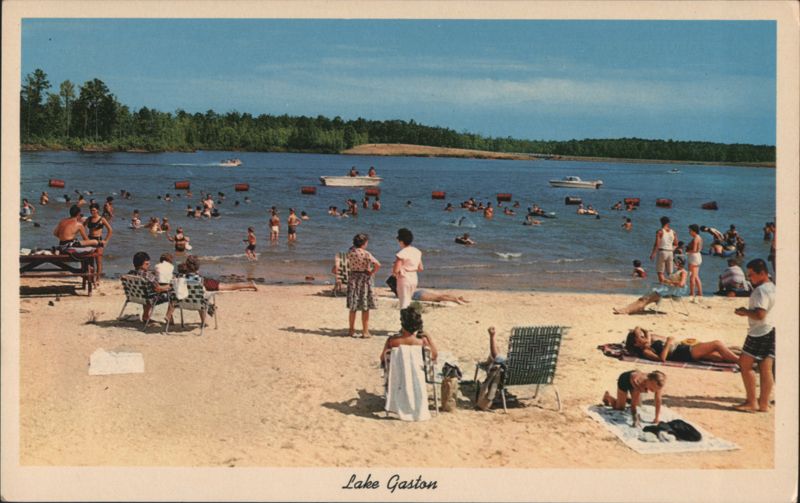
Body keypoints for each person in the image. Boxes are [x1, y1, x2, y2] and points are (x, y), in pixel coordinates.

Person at [734, 258, 775, 413]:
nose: (749, 278)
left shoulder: (761, 291)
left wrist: (744, 311)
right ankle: (763, 403)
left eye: (751, 275)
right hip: (772, 329)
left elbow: (759, 314)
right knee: (766, 368)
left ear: (762, 273)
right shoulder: (772, 287)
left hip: (760, 331)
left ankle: (752, 402)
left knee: (745, 365)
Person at [624, 326, 739, 364]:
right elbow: (661, 359)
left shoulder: (647, 343)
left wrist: (639, 332)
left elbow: (642, 329)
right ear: (636, 343)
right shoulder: (645, 351)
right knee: (717, 344)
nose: (644, 336)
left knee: (718, 356)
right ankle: (741, 362)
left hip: (683, 349)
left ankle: (749, 362)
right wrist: (668, 343)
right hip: (683, 352)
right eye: (641, 336)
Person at [613, 257, 688, 314]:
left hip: (670, 291)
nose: (674, 263)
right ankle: (628, 309)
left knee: (644, 299)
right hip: (667, 290)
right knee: (643, 298)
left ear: (680, 263)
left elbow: (681, 284)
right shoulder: (678, 271)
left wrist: (669, 281)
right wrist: (667, 281)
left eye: (676, 262)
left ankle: (626, 310)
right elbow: (675, 282)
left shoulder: (683, 272)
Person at [345, 233, 381, 338]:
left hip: (353, 278)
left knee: (353, 306)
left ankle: (351, 330)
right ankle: (365, 331)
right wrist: (372, 272)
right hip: (364, 279)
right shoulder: (366, 253)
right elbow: (378, 264)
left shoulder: (350, 252)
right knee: (365, 306)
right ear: (364, 243)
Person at [128, 251, 172, 325]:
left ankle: (146, 316)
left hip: (136, 296)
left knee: (146, 291)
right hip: (149, 299)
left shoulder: (130, 273)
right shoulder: (147, 275)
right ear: (140, 264)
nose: (149, 265)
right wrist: (170, 286)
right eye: (147, 264)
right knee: (172, 294)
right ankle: (169, 318)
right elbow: (158, 288)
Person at [177, 255, 257, 292]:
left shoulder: (182, 277)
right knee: (230, 286)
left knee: (230, 287)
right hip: (206, 282)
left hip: (207, 283)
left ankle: (250, 284)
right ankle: (249, 284)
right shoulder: (196, 276)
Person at [392, 228, 423, 309]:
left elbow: (396, 270)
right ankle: (410, 318)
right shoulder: (417, 251)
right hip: (414, 277)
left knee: (404, 302)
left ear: (401, 241)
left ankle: (405, 320)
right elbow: (420, 268)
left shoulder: (401, 253)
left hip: (404, 278)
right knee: (408, 300)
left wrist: (395, 267)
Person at [84, 203, 113, 284]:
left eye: (93, 210)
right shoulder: (89, 219)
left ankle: (98, 278)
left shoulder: (102, 219)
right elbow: (82, 227)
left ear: (97, 210)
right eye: (91, 210)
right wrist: (85, 238)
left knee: (98, 261)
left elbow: (110, 230)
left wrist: (106, 240)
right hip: (90, 240)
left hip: (99, 241)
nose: (92, 212)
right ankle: (91, 278)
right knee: (90, 261)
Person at [649, 216, 677, 284]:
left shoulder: (660, 232)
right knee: (670, 273)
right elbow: (676, 244)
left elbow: (657, 244)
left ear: (661, 222)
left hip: (662, 251)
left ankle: (663, 285)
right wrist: (671, 249)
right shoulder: (673, 232)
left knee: (660, 272)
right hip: (670, 252)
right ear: (668, 223)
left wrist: (653, 253)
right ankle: (671, 287)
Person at [686, 224, 703, 301]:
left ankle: (692, 292)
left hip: (694, 257)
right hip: (698, 256)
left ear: (693, 231)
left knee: (692, 276)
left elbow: (695, 250)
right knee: (696, 276)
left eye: (690, 230)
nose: (689, 232)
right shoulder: (699, 238)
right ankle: (700, 292)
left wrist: (687, 252)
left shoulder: (696, 238)